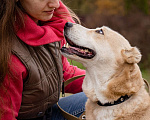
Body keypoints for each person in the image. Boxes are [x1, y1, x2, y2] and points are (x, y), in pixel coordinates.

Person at [0, 0, 87, 120]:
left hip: (48, 113)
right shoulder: (9, 54)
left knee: (108, 99)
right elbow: (5, 116)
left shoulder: (51, 25)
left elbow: (63, 72)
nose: (55, 4)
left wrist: (110, 82)